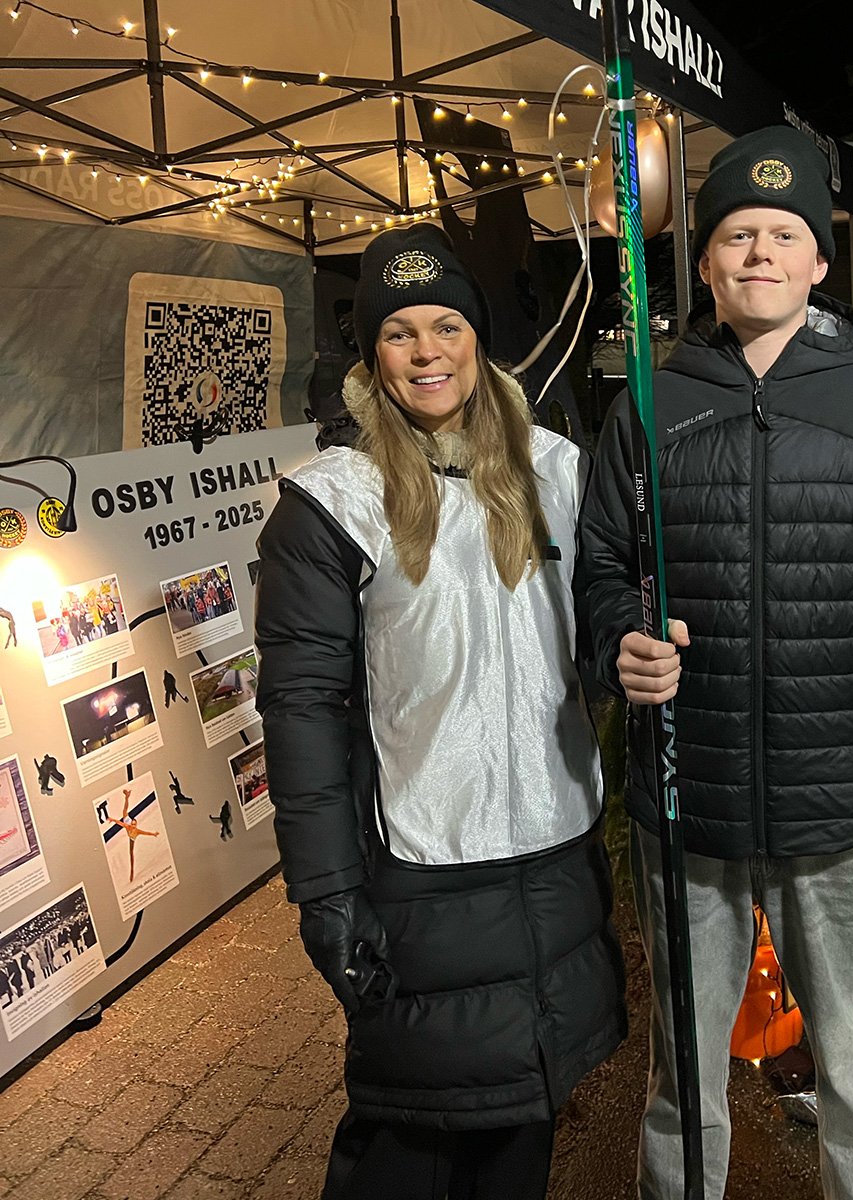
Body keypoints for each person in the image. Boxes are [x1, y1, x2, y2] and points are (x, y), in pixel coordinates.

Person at [579, 125, 853, 1200]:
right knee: (684, 1076)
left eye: (783, 233)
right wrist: (620, 641)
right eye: (737, 235)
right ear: (707, 262)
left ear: (818, 262)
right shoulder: (648, 408)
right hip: (688, 800)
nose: (760, 252)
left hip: (841, 804)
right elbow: (603, 566)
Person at [255, 225, 626, 1200]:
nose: (427, 352)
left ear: (478, 337)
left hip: (553, 862)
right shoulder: (333, 504)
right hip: (423, 881)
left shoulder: (560, 471)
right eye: (400, 332)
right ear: (372, 354)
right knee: (409, 1140)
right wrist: (327, 893)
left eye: (447, 326)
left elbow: (601, 623)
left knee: (522, 1134)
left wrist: (636, 640)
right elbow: (302, 712)